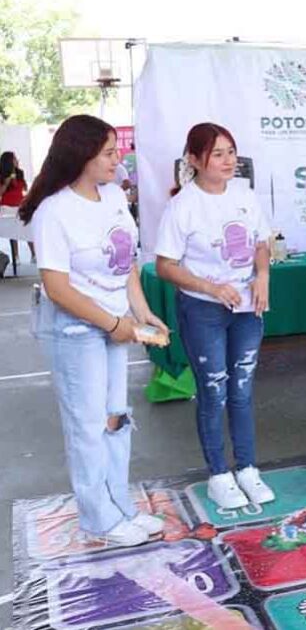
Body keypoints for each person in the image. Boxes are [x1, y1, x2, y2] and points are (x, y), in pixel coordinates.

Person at [21, 114, 169, 546]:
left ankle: (120, 507)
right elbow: (57, 287)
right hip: (75, 333)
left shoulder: (113, 198)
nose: (117, 158)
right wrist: (114, 324)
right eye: (108, 152)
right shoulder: (54, 211)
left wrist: (143, 315)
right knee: (87, 427)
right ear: (82, 155)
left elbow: (124, 265)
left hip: (115, 326)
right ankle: (98, 518)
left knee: (116, 419)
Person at [155, 123, 275, 510]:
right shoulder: (183, 205)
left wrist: (263, 276)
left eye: (230, 151)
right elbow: (165, 265)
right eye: (217, 153)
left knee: (242, 389)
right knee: (214, 390)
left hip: (246, 308)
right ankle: (219, 474)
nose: (228, 160)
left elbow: (261, 241)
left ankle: (247, 468)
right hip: (203, 309)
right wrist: (210, 288)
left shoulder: (244, 194)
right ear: (194, 159)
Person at [1, 151, 34, 264]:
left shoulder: (20, 173)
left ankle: (33, 254)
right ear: (9, 161)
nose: (17, 160)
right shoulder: (2, 174)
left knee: (26, 228)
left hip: (19, 205)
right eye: (14, 159)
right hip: (7, 206)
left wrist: (24, 184)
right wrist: (7, 182)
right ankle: (16, 256)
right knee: (12, 231)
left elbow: (24, 189)